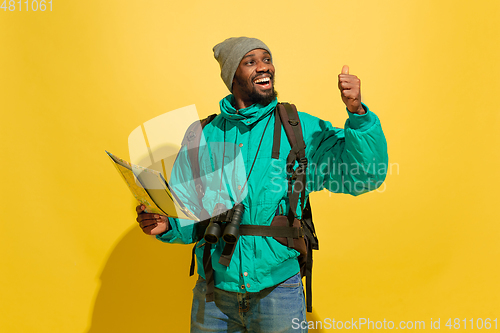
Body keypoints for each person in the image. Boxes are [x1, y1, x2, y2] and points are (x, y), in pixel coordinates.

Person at [136, 37, 388, 332]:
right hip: (214, 294)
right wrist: (166, 225)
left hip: (278, 291)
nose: (263, 67)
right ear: (232, 75)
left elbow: (365, 174)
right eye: (251, 61)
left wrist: (357, 114)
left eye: (267, 59)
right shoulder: (202, 134)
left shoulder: (298, 128)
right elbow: (189, 209)